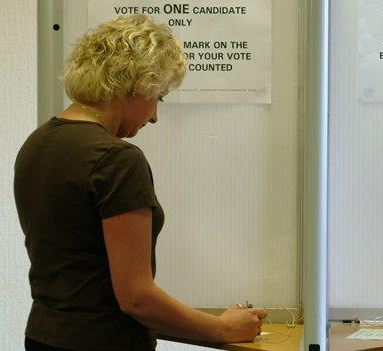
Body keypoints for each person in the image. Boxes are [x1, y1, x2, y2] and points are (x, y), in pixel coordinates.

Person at [14, 14, 266, 351]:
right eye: (157, 98)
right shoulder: (116, 160)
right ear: (137, 86)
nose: (154, 116)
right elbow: (137, 299)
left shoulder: (38, 142)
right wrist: (222, 329)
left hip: (44, 338)